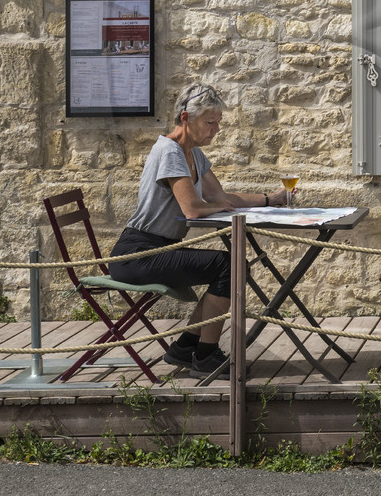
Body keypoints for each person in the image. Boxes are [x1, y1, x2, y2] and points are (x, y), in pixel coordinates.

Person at [106, 84, 290, 377]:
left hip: (159, 248)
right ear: (185, 118)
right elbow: (192, 208)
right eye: (210, 122)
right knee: (228, 266)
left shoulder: (193, 153)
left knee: (228, 267)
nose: (216, 129)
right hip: (137, 254)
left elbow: (220, 197)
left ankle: (186, 347)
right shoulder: (170, 151)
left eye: (218, 122)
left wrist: (271, 200)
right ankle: (205, 356)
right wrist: (220, 205)